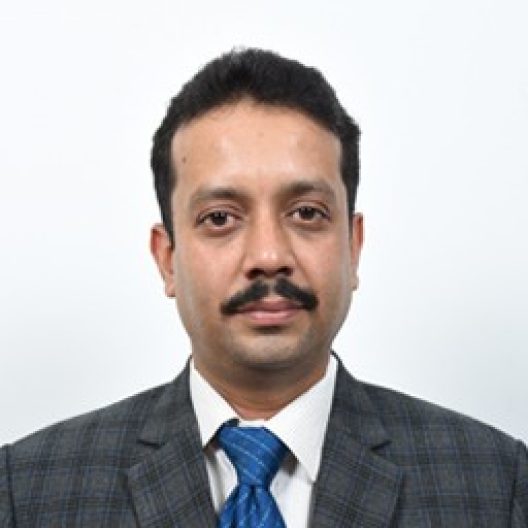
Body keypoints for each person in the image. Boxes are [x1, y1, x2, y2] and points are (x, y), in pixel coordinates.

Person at [0, 48, 526, 528]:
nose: (269, 256)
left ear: (353, 247)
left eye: (306, 213)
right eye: (220, 218)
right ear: (167, 259)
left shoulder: (497, 485)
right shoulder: (28, 492)